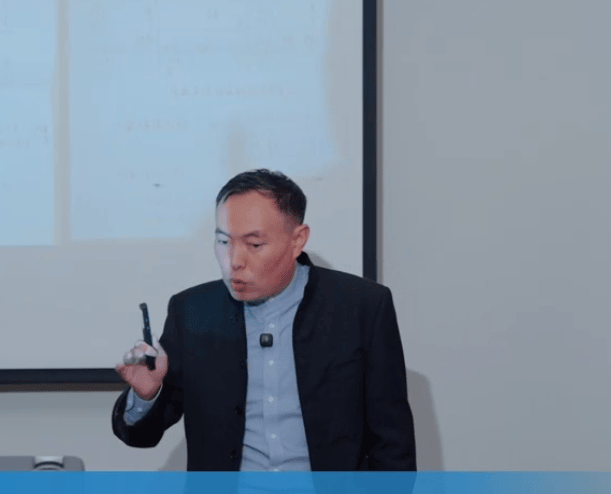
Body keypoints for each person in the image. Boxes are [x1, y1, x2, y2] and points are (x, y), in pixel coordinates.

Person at [111, 169, 416, 473]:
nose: (234, 261)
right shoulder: (192, 312)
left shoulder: (361, 306)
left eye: (254, 245)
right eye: (223, 241)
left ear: (298, 240)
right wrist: (146, 395)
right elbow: (141, 436)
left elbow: (392, 440)